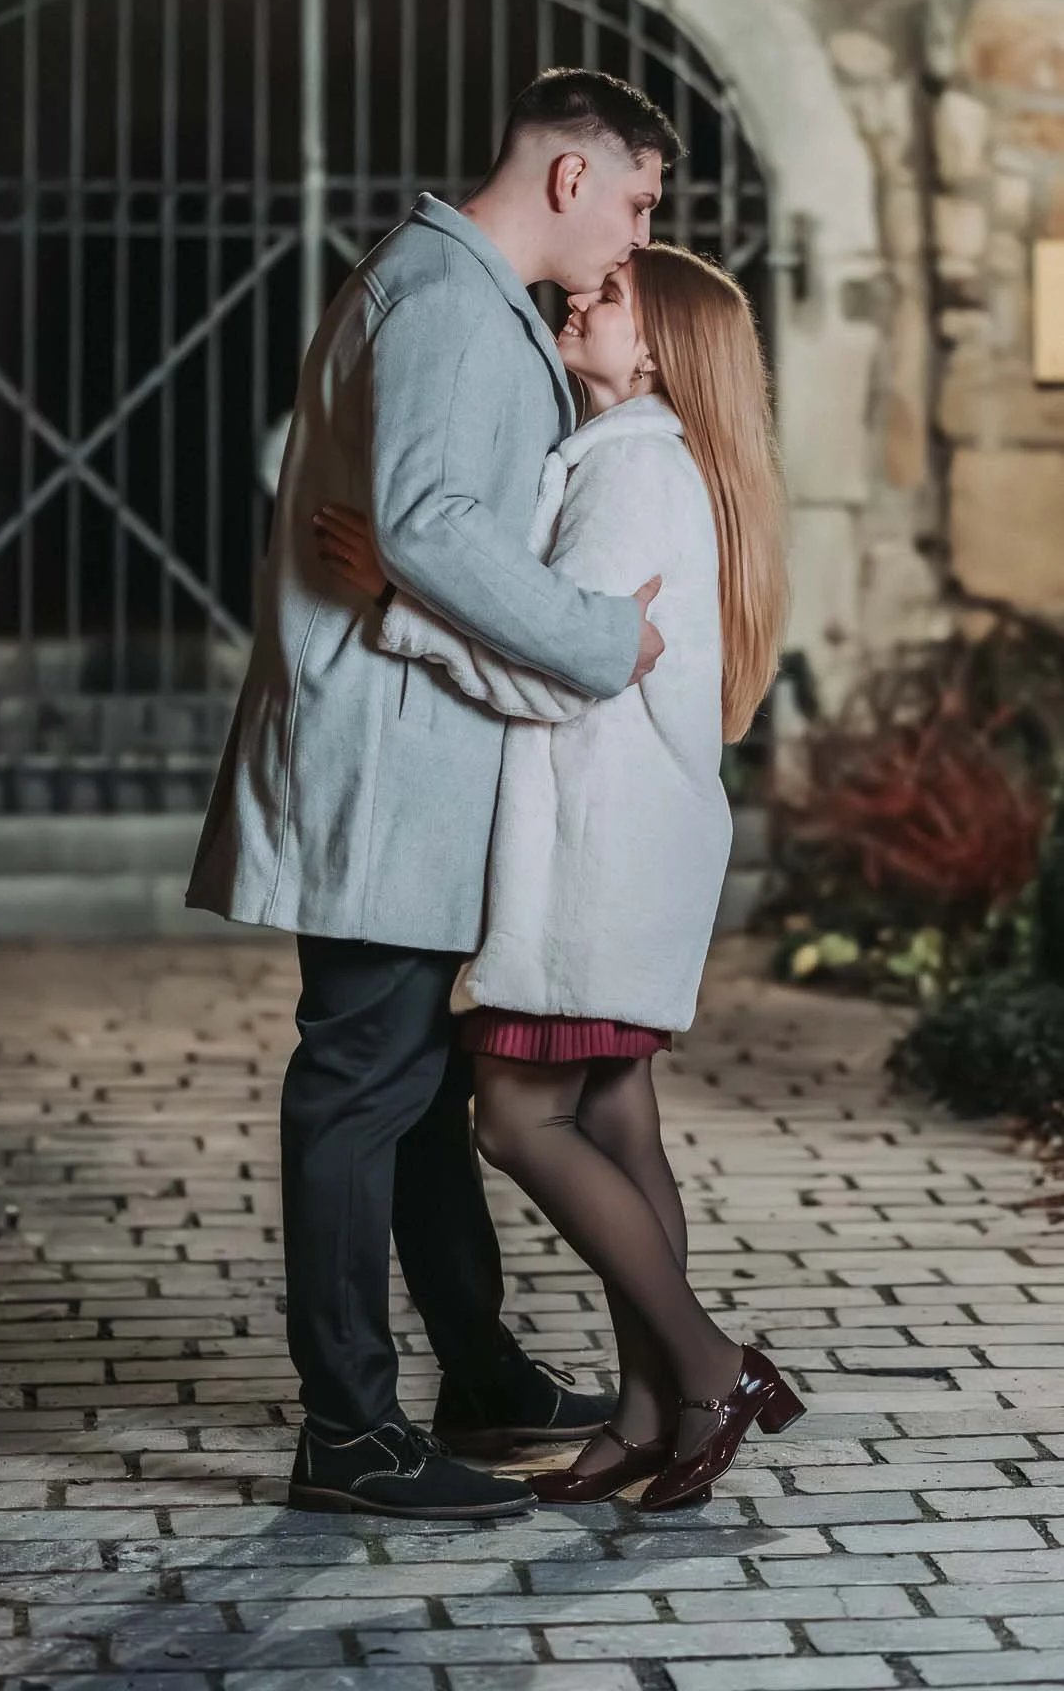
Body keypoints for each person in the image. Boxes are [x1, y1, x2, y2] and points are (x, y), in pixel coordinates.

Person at [186, 70, 681, 1519]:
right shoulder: (460, 301)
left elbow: (415, 526)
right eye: (638, 203)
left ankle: (481, 1378)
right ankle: (349, 1433)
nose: (636, 241)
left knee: (411, 1091)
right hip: (388, 762)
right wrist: (603, 638)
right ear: (571, 177)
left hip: (401, 755)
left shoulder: (436, 285)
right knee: (360, 1089)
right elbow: (431, 524)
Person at [315, 243, 803, 1512]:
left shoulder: (633, 466)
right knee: (621, 1116)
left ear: (655, 352)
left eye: (613, 296)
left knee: (518, 1118)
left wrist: (397, 597)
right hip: (629, 840)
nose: (580, 294)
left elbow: (562, 664)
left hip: (591, 851)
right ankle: (652, 1413)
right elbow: (577, 637)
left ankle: (708, 1364)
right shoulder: (635, 457)